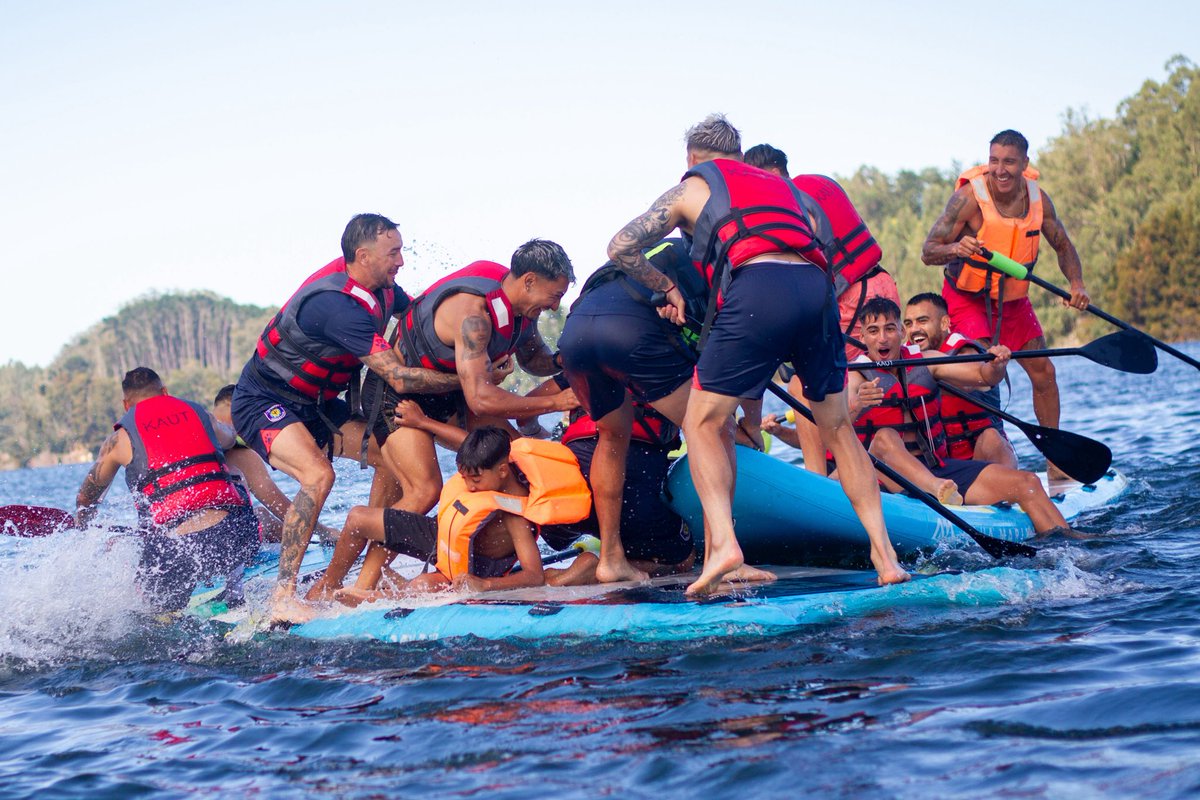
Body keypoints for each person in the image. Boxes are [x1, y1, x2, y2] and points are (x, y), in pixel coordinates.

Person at [606, 113, 909, 594]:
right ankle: (885, 555)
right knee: (837, 426)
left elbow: (620, 247)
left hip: (759, 286)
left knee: (702, 422)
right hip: (816, 289)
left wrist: (665, 286)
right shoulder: (787, 188)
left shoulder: (690, 187)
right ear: (740, 156)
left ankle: (724, 546)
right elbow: (820, 237)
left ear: (692, 157)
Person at [230, 213, 462, 622]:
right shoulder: (336, 306)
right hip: (263, 401)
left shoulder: (383, 288)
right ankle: (283, 596)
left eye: (402, 251)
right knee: (319, 475)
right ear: (363, 256)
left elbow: (421, 320)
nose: (401, 262)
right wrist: (468, 378)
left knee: (392, 457)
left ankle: (359, 576)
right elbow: (397, 376)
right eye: (393, 253)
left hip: (317, 405)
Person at [326, 241, 580, 597]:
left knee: (517, 453)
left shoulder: (522, 311)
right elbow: (481, 398)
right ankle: (356, 588)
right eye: (554, 296)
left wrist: (566, 360)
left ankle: (498, 545)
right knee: (425, 490)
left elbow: (534, 359)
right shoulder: (473, 315)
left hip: (448, 396)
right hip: (399, 395)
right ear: (529, 281)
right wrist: (554, 401)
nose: (555, 306)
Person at [921, 129, 1090, 480]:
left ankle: (1056, 463)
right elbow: (928, 250)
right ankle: (987, 460)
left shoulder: (1038, 200)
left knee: (1044, 373)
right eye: (994, 160)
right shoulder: (968, 198)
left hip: (1013, 301)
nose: (1000, 170)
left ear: (1024, 164)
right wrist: (955, 248)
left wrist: (1076, 284)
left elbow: (1063, 245)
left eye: (1009, 162)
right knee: (984, 373)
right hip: (967, 298)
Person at [847, 298, 1072, 534]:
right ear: (863, 337)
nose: (882, 338)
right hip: (884, 477)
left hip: (938, 471)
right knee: (885, 438)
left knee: (1028, 483)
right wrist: (857, 404)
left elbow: (983, 377)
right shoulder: (856, 376)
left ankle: (1071, 547)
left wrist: (996, 366)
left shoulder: (927, 361)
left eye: (890, 329)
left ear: (902, 332)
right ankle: (935, 490)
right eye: (873, 331)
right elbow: (835, 422)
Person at [744, 142, 901, 477]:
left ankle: (817, 478)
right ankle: (843, 465)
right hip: (881, 286)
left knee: (803, 384)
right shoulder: (820, 183)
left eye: (756, 180)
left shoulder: (788, 201)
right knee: (833, 384)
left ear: (773, 173)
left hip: (853, 300)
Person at [556, 238, 702, 582]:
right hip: (633, 485)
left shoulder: (617, 282)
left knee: (612, 435)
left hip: (571, 488)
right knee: (708, 429)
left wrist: (548, 409)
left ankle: (610, 556)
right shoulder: (701, 271)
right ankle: (724, 550)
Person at [327, 426, 598, 603]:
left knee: (422, 587)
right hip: (444, 535)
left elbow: (534, 574)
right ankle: (326, 588)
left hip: (470, 567)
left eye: (476, 480)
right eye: (464, 477)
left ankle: (377, 598)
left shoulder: (515, 512)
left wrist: (484, 585)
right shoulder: (484, 470)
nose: (469, 486)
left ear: (502, 471)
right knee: (358, 518)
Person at [74, 368, 260, 611]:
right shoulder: (200, 413)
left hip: (174, 550)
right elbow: (229, 440)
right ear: (164, 392)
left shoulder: (118, 440)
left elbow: (87, 497)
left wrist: (82, 522)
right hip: (232, 535)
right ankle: (235, 587)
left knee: (152, 608)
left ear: (126, 404)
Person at [212, 385, 339, 543]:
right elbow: (278, 505)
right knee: (262, 515)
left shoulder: (195, 450)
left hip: (190, 542)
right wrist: (324, 532)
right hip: (230, 541)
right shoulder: (241, 456)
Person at [902, 294, 1018, 468]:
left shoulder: (965, 352)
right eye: (909, 324)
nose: (914, 329)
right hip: (941, 462)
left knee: (991, 437)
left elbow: (973, 381)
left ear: (944, 323)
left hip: (980, 456)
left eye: (922, 321)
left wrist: (996, 367)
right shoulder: (904, 357)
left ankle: (1009, 480)